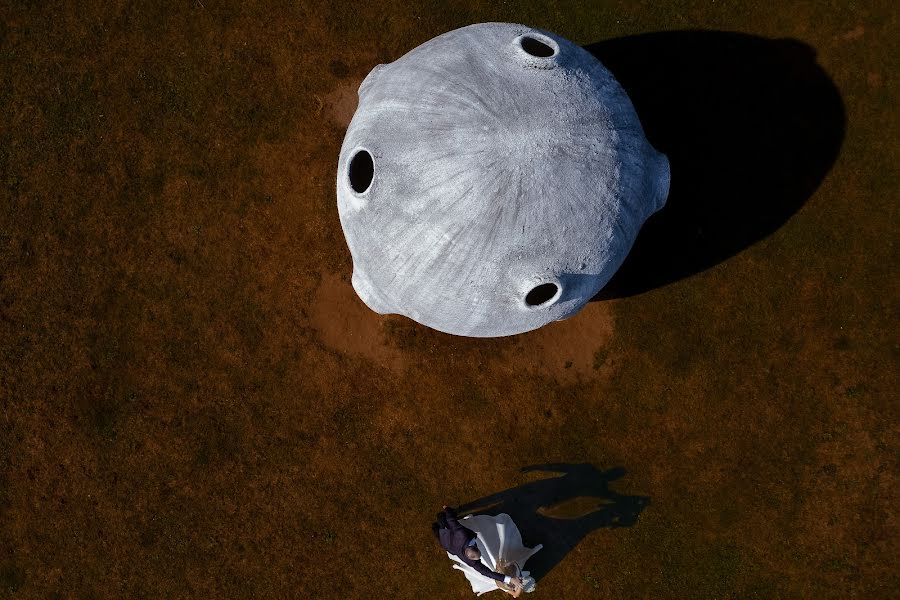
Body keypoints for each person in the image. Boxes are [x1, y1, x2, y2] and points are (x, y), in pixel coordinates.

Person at [433, 505, 525, 594]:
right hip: (447, 541)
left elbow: (451, 520)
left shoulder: (464, 540)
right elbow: (451, 520)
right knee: (442, 524)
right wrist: (447, 509)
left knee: (442, 526)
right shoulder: (462, 535)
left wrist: (510, 579)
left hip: (449, 543)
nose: (480, 559)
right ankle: (439, 524)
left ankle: (439, 526)